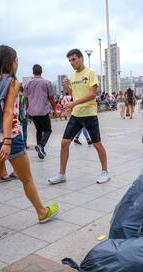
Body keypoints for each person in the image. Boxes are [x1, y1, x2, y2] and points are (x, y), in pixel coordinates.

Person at [0, 45, 59, 246]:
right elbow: (9, 112)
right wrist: (8, 141)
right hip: (11, 139)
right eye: (16, 59)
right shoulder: (12, 82)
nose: (17, 63)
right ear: (10, 61)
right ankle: (42, 212)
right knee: (27, 180)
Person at [48, 48, 110, 185]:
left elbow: (92, 94)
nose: (72, 62)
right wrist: (68, 87)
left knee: (97, 144)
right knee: (64, 142)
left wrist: (73, 103)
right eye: (70, 60)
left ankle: (105, 172)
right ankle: (61, 174)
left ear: (81, 58)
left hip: (89, 114)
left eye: (74, 59)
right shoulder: (73, 76)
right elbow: (75, 94)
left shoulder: (90, 73)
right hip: (76, 114)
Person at [23, 64, 56, 160]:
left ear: (33, 72)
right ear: (41, 71)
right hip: (43, 111)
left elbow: (25, 99)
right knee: (48, 130)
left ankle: (40, 151)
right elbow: (51, 97)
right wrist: (55, 108)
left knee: (39, 130)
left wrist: (28, 110)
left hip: (33, 112)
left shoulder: (27, 84)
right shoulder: (46, 82)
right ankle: (41, 146)